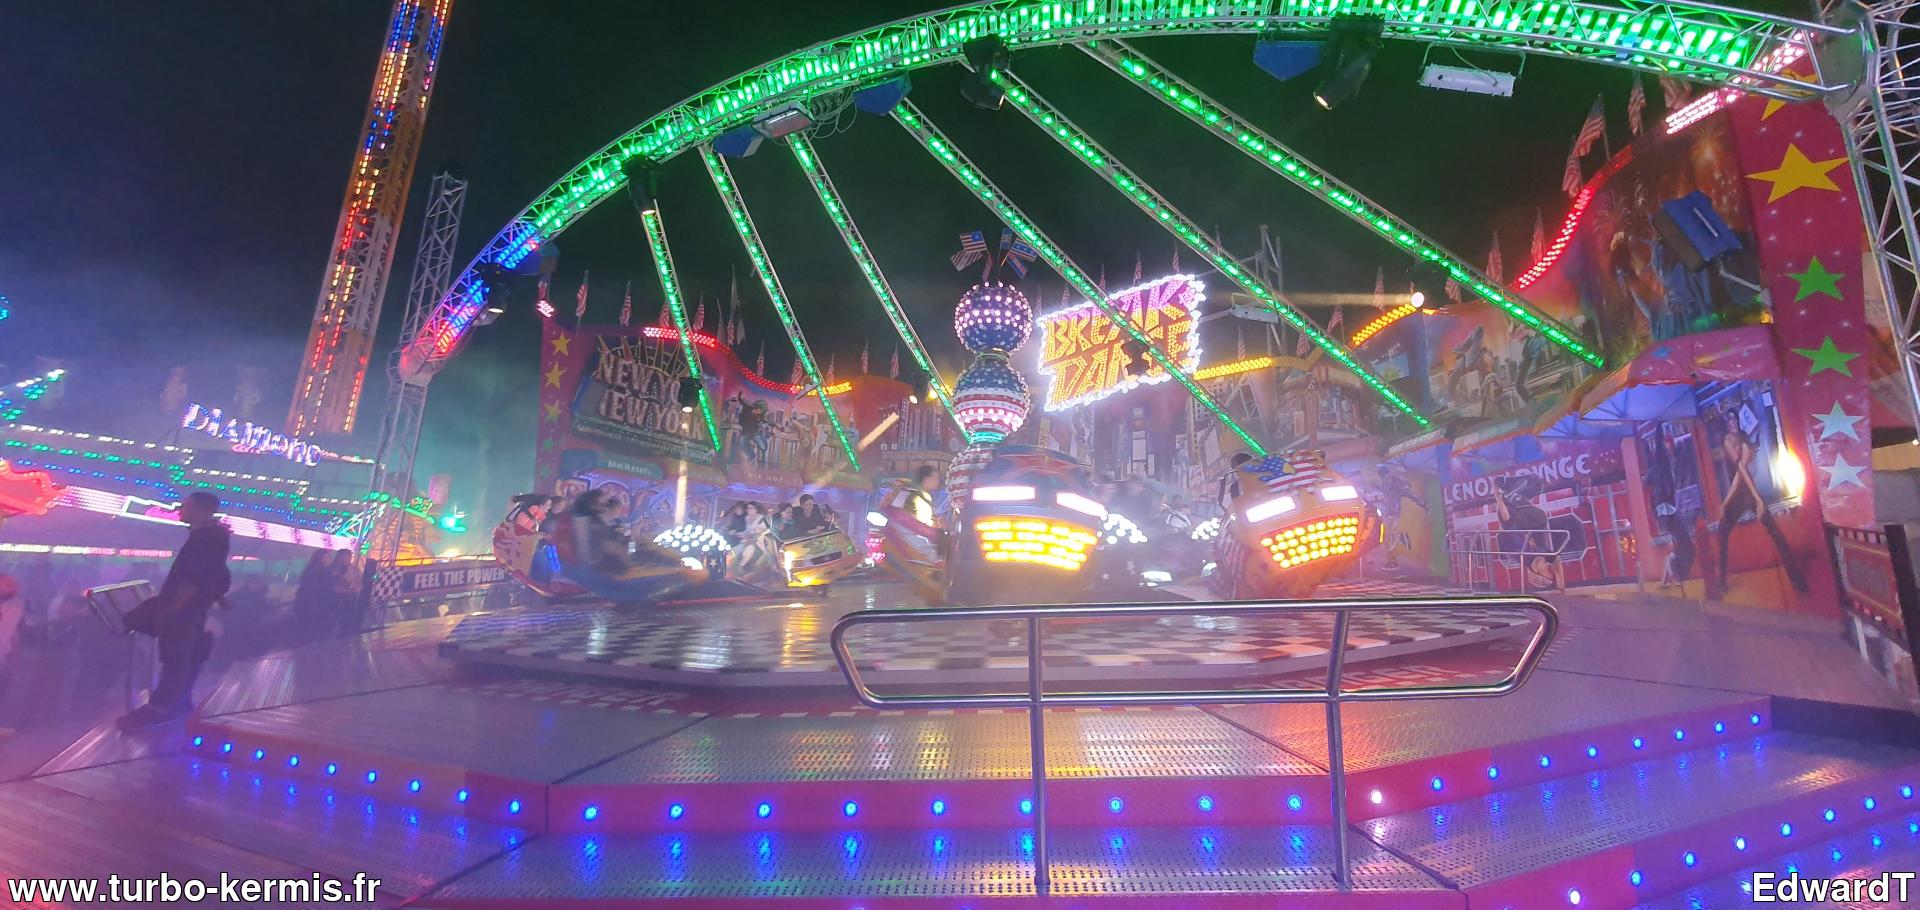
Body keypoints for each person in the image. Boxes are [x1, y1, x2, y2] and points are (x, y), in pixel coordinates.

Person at [120, 492, 230, 727]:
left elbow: (193, 578)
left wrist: (173, 609)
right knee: (184, 659)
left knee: (175, 660)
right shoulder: (214, 537)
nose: (180, 508)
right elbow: (217, 575)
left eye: (186, 505)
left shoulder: (205, 539)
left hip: (185, 610)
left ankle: (160, 709)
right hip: (194, 608)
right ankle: (179, 703)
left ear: (200, 509)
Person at [1713, 419, 1807, 594]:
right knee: (1723, 535)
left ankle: (1797, 580)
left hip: (1748, 494)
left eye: (1735, 424)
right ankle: (1722, 582)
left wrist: (1757, 500)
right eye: (1730, 425)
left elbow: (1741, 476)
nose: (1730, 444)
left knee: (1775, 534)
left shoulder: (1745, 447)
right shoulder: (1730, 444)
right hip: (1741, 497)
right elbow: (1737, 477)